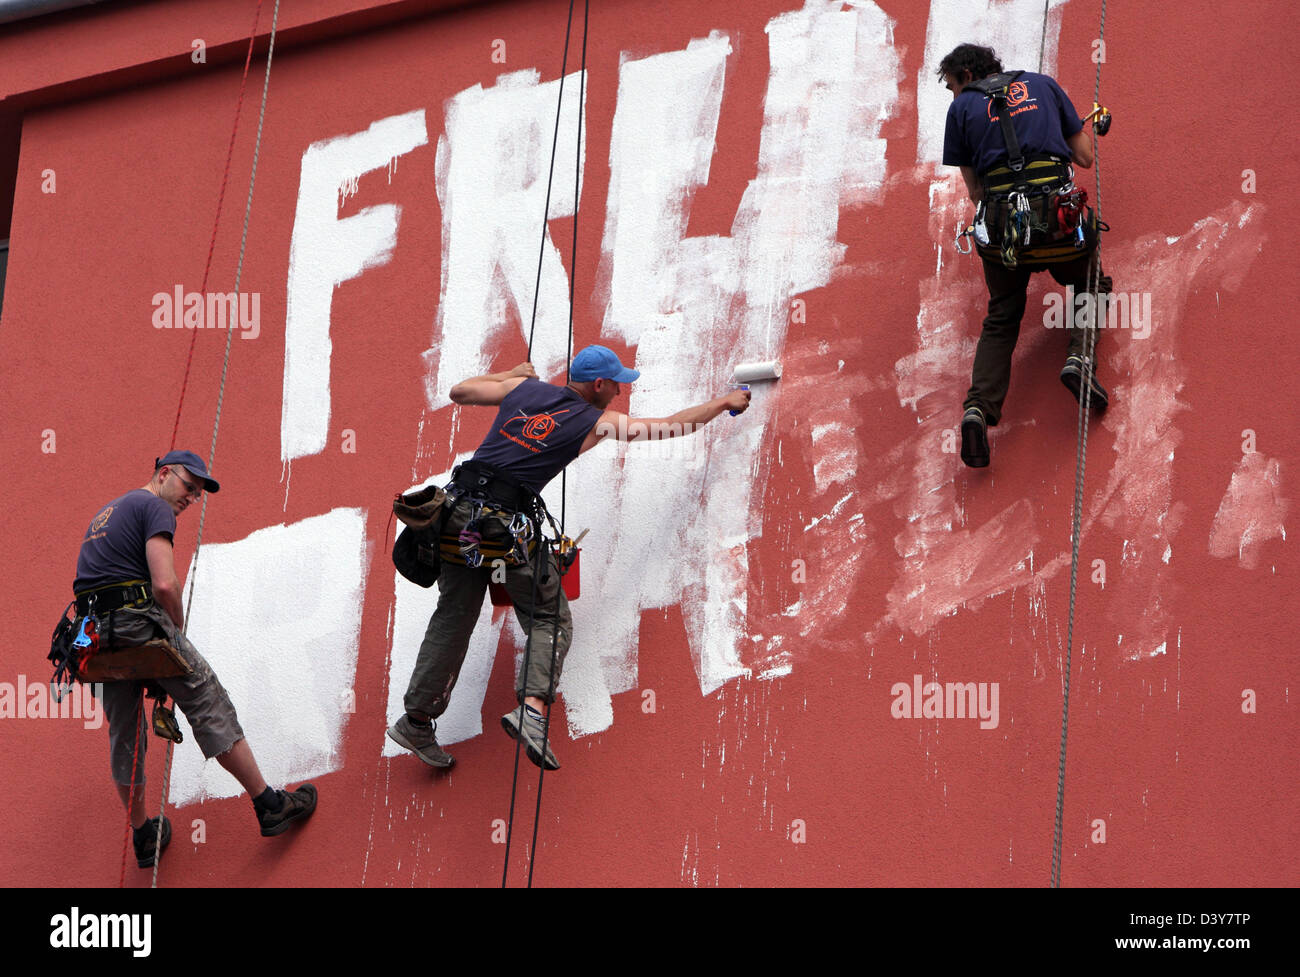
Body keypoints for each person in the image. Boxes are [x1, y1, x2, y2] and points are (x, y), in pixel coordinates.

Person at [388, 344, 752, 771]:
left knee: (454, 616)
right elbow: (668, 428)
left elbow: (460, 392)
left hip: (454, 519)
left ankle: (416, 721)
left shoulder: (522, 388)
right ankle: (533, 712)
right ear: (599, 384)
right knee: (547, 618)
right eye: (617, 384)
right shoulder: (596, 422)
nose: (619, 392)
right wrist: (724, 401)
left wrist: (509, 373)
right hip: (499, 527)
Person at [72, 450, 317, 868]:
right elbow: (165, 584)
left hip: (92, 639)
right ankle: (270, 804)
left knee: (124, 734)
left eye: (198, 493)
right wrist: (172, 638)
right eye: (188, 486)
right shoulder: (152, 505)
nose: (191, 497)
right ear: (164, 473)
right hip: (136, 622)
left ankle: (143, 835)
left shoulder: (106, 514)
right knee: (206, 698)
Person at [939, 43, 1111, 468]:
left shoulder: (962, 112)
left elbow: (976, 191)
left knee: (1002, 314)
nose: (953, 96)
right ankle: (1079, 358)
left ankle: (978, 408)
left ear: (965, 74)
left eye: (951, 87)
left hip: (1002, 238)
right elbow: (1085, 157)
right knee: (1091, 283)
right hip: (1058, 222)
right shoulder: (1043, 86)